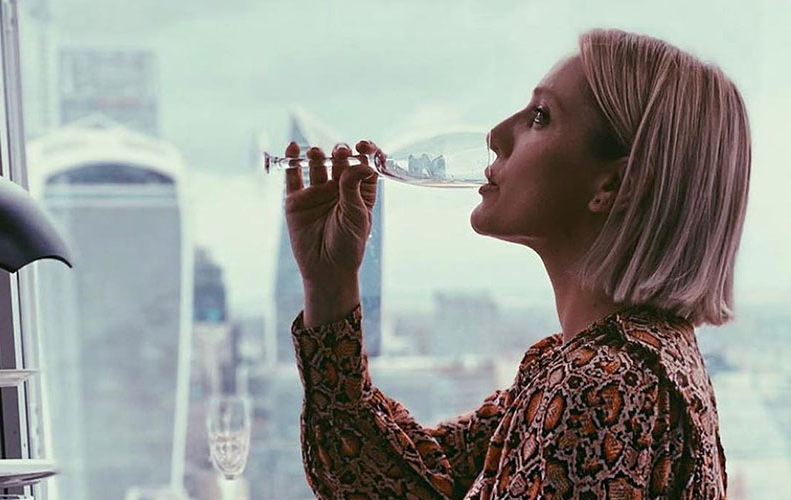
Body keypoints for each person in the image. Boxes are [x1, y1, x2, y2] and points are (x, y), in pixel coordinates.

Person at [283, 28, 749, 500]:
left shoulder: (599, 386)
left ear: (614, 186)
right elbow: (406, 480)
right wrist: (329, 282)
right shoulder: (595, 365)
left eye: (541, 117)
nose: (496, 134)